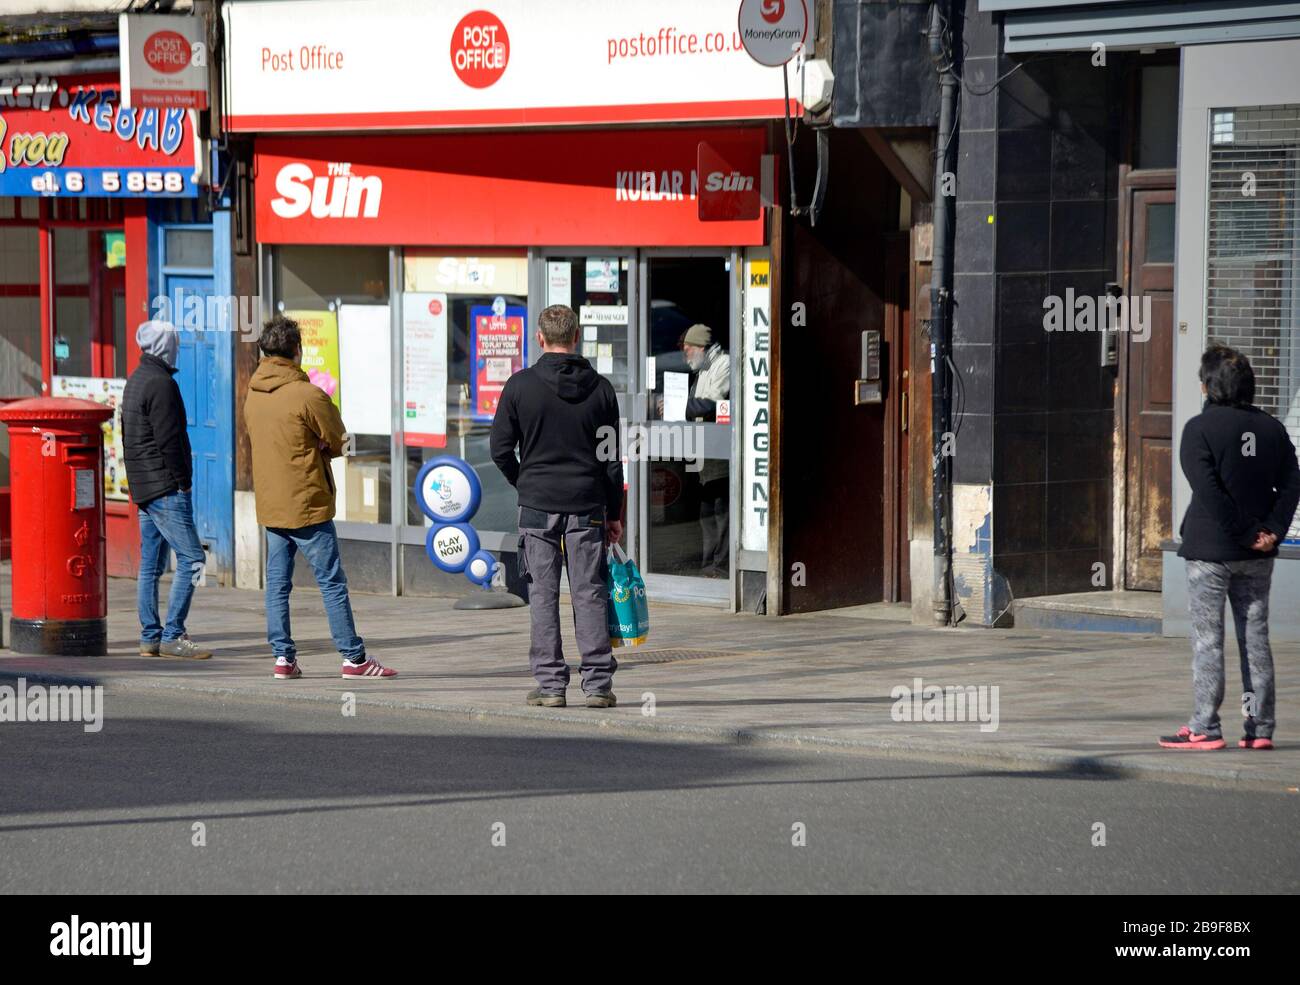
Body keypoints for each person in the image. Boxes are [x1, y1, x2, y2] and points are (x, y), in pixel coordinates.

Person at [1161, 345, 1300, 750]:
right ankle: (1259, 727)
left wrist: (1242, 532)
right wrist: (1270, 531)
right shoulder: (1272, 429)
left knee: (1208, 640)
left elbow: (1210, 491)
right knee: (1254, 641)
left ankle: (1205, 725)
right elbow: (1292, 483)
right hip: (1258, 556)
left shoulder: (1198, 430)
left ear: (1208, 387)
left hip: (1211, 552)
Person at [244, 315, 396, 681]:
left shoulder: (252, 392)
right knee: (331, 582)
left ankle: (283, 658)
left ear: (265, 351)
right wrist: (322, 449)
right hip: (308, 501)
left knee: (278, 584)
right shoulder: (308, 394)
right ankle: (353, 658)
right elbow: (341, 439)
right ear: (297, 350)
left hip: (271, 502)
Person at [490, 304, 623, 708]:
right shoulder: (601, 389)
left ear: (540, 338)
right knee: (589, 592)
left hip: (536, 506)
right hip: (587, 505)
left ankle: (550, 686)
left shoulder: (519, 386)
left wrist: (524, 482)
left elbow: (499, 450)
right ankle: (598, 684)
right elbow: (613, 460)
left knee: (543, 593)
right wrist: (614, 513)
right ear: (577, 336)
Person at [121, 320, 211, 660]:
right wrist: (183, 480)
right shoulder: (161, 384)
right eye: (175, 343)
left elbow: (130, 434)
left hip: (144, 487)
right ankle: (173, 634)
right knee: (193, 558)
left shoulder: (136, 380)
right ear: (165, 347)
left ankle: (149, 637)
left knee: (151, 565)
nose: (178, 349)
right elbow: (169, 440)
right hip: (164, 486)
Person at [683, 324, 730, 577]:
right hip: (705, 461)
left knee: (721, 515)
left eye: (688, 349)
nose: (686, 354)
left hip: (719, 458)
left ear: (701, 347)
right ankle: (707, 564)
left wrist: (680, 406)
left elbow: (710, 403)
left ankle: (719, 566)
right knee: (706, 515)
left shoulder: (723, 365)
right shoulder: (702, 370)